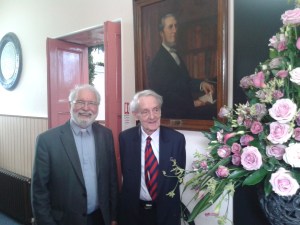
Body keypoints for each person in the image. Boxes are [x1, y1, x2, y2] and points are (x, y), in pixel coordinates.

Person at [31, 84, 118, 225]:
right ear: (70, 105)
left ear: (97, 107)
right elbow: (39, 192)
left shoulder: (106, 135)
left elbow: (112, 179)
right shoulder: (47, 141)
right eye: (80, 102)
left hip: (100, 218)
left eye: (92, 103)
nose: (86, 108)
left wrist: (113, 216)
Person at [118, 89, 186, 225]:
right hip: (134, 213)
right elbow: (127, 175)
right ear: (135, 115)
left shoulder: (176, 139)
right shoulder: (125, 138)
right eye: (145, 112)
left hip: (166, 214)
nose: (152, 116)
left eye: (156, 110)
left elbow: (178, 176)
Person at [148, 13, 217, 119]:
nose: (175, 30)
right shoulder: (157, 62)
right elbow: (164, 97)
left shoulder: (176, 55)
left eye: (176, 26)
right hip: (173, 118)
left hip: (186, 114)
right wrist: (194, 103)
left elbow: (185, 81)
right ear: (161, 33)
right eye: (170, 27)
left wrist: (201, 84)